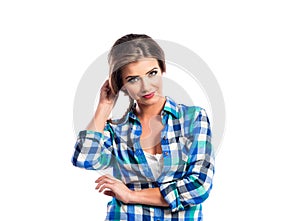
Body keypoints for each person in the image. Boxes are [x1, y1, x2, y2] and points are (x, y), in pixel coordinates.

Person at [72, 34, 214, 221]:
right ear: (121, 84)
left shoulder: (193, 118)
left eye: (152, 73)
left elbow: (199, 186)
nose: (146, 87)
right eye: (133, 79)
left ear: (162, 69)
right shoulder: (116, 129)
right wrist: (104, 107)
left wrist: (131, 195)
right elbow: (84, 159)